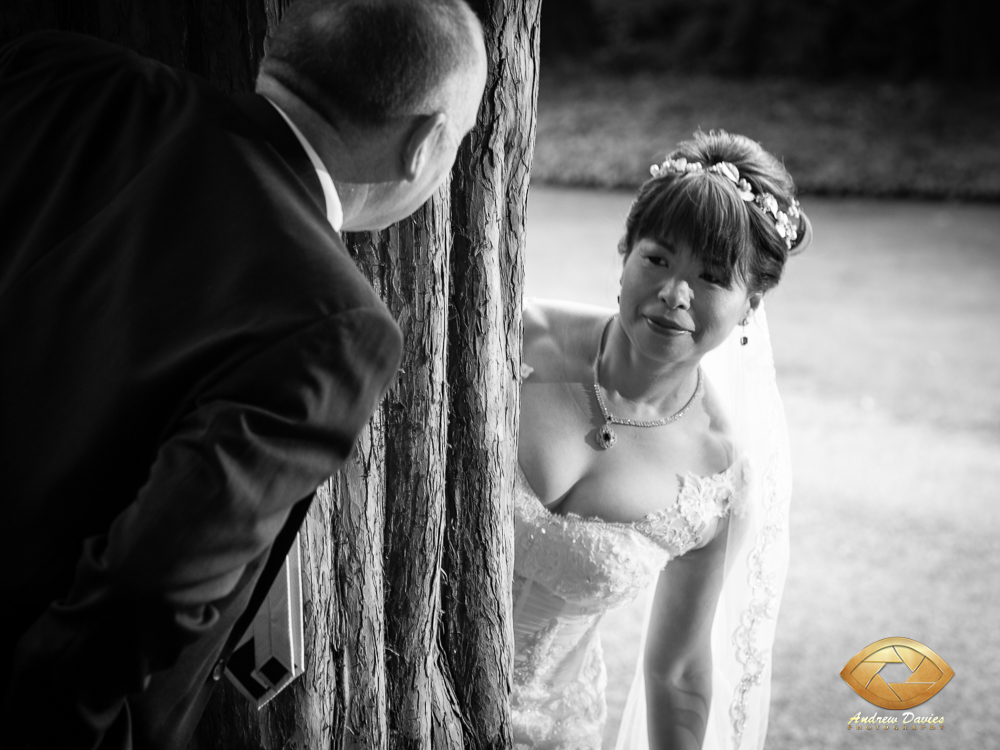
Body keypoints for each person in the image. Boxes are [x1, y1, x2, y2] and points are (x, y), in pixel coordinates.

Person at [0, 1, 487, 748]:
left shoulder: (62, 71)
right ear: (424, 145)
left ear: (280, 55)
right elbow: (148, 584)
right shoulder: (334, 324)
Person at [512, 131, 812, 749]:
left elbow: (676, 673)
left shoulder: (716, 475)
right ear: (624, 254)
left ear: (750, 303)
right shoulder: (511, 340)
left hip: (542, 734)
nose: (675, 294)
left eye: (710, 276)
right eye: (657, 259)